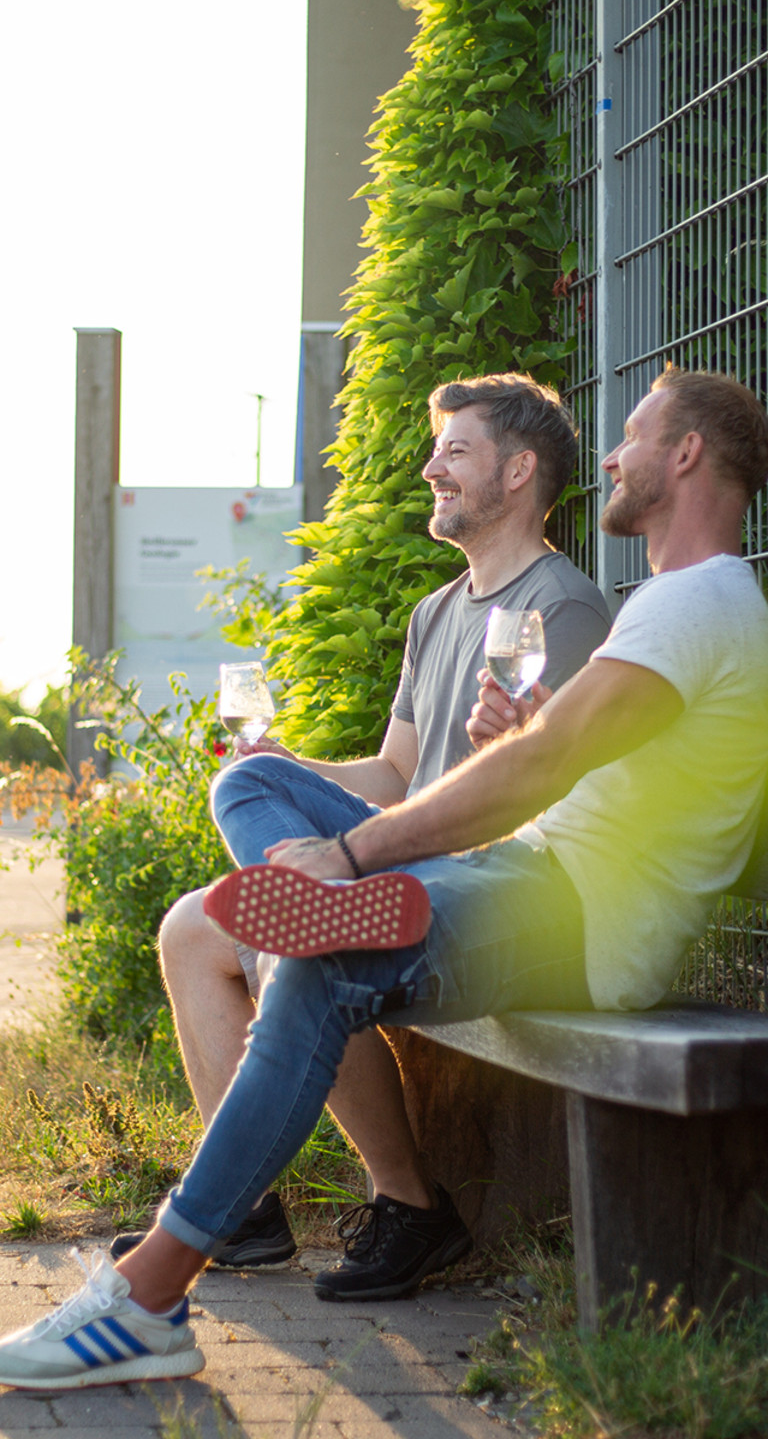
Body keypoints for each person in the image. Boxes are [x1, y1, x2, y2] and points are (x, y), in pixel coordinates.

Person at [4, 368, 767, 1393]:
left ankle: (147, 1295)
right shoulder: (678, 602)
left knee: (318, 968)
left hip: (580, 913)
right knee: (257, 782)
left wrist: (355, 855)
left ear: (687, 454)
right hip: (531, 872)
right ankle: (323, 923)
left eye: (633, 435)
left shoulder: (695, 601)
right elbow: (567, 758)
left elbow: (541, 770)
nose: (614, 456)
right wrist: (519, 734)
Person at [112, 371, 611, 1300]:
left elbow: (551, 786)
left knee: (295, 946)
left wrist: (511, 744)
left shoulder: (563, 606)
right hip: (408, 852)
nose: (431, 469)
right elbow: (391, 777)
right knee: (230, 825)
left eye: (455, 450)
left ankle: (409, 1202)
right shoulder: (435, 613)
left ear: (518, 472)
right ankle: (249, 1215)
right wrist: (293, 763)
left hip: (493, 872)